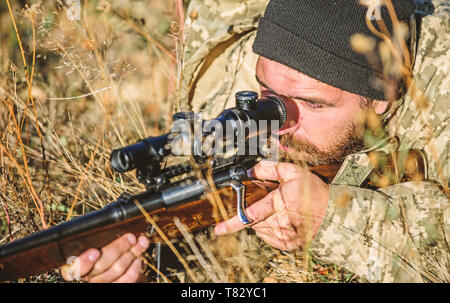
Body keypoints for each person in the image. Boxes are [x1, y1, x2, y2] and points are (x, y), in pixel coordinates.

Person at [61, 0, 449, 283]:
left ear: (384, 92)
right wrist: (146, 267)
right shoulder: (225, 84)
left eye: (313, 103)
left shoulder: (440, 83)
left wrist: (331, 218)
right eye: (268, 93)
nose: (281, 124)